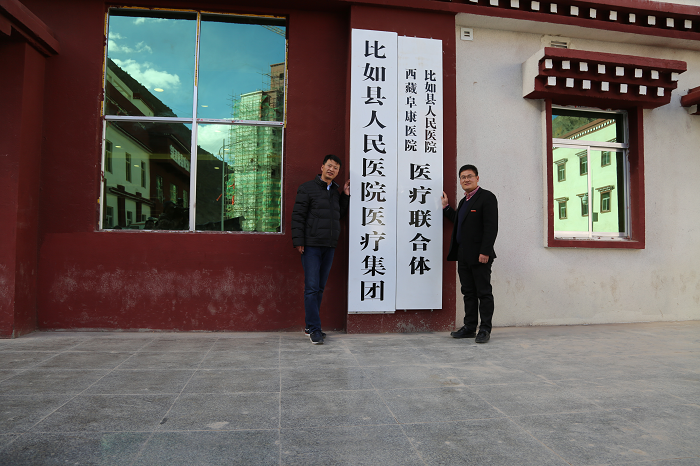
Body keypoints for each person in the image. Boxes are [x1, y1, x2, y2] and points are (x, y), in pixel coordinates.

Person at [291, 154, 350, 345]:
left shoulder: (335, 192)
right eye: (329, 166)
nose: (332, 169)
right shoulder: (307, 188)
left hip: (329, 245)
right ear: (322, 167)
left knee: (319, 288)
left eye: (336, 168)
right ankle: (315, 329)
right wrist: (299, 241)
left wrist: (345, 196)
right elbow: (298, 216)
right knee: (311, 287)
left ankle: (310, 326)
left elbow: (338, 215)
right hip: (311, 245)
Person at [442, 164, 498, 343]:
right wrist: (446, 208)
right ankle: (469, 327)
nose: (466, 179)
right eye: (463, 177)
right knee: (468, 292)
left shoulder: (487, 197)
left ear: (477, 178)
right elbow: (459, 221)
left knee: (483, 292)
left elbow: (491, 227)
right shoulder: (464, 201)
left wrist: (485, 251)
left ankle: (485, 329)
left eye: (469, 176)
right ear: (460, 181)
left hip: (480, 256)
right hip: (463, 255)